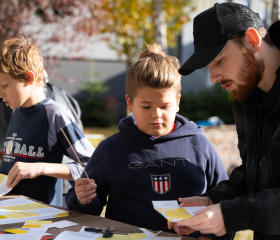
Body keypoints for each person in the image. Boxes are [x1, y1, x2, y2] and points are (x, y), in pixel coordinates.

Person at [66, 44, 229, 240]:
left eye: (164, 106)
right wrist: (82, 199)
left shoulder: (200, 146)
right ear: (129, 103)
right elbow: (87, 209)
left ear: (177, 102)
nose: (156, 115)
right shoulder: (111, 149)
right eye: (146, 106)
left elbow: (227, 202)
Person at [167, 2, 280, 240]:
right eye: (209, 67)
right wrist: (212, 200)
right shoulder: (246, 93)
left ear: (251, 39)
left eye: (219, 61)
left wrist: (231, 215)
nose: (213, 78)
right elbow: (255, 174)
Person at [0, 36, 95, 207]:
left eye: (4, 86)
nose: (0, 93)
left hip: (41, 222)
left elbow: (91, 165)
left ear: (29, 78)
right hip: (10, 215)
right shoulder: (15, 112)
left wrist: (41, 168)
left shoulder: (55, 115)